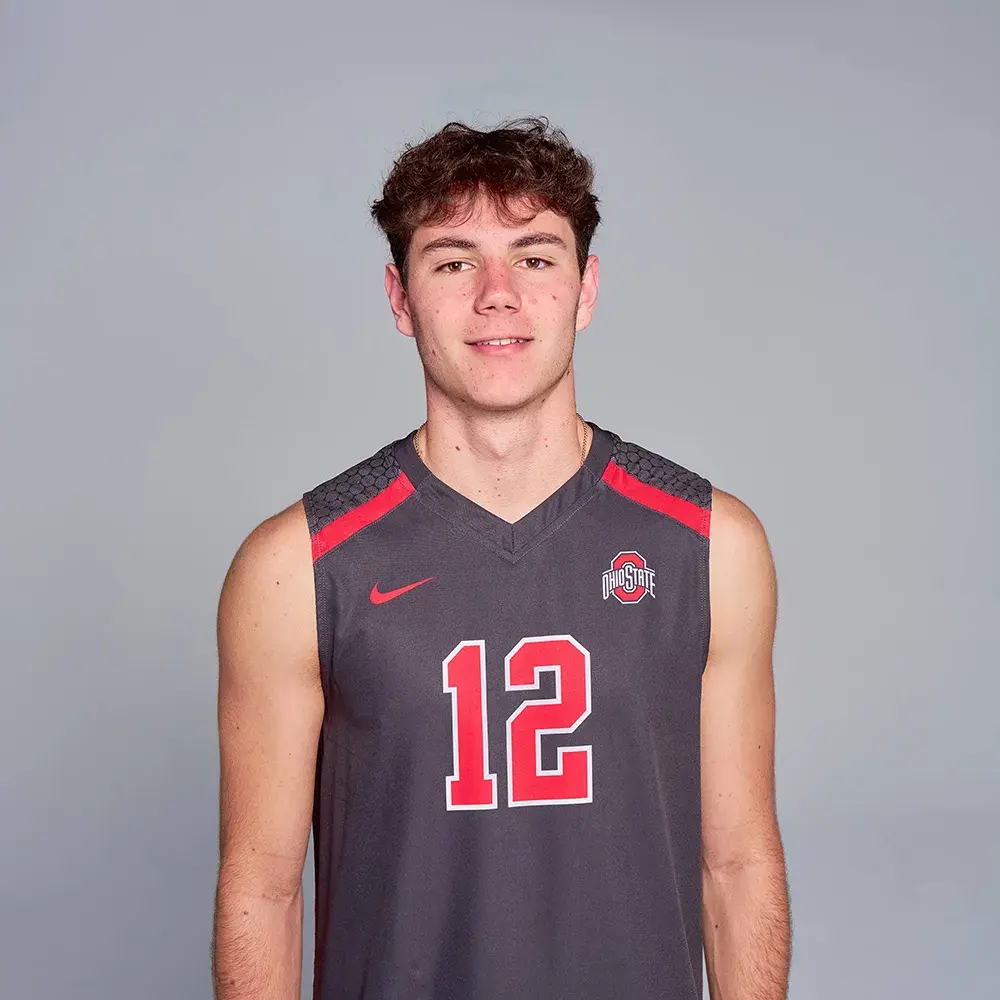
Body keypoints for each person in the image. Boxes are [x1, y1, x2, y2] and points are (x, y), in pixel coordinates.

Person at [212, 117, 791, 1000]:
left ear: (585, 288)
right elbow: (261, 886)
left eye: (534, 257)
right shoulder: (296, 566)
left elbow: (740, 864)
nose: (497, 295)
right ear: (400, 299)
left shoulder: (711, 545)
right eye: (452, 261)